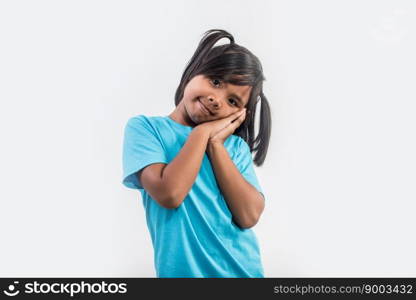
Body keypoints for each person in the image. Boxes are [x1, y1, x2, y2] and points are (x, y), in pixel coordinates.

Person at [122, 29, 271, 278]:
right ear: (195, 71)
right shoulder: (147, 129)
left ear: (238, 114)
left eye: (233, 101)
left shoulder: (234, 148)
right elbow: (169, 193)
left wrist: (214, 144)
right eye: (215, 81)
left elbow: (248, 215)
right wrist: (201, 134)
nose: (217, 100)